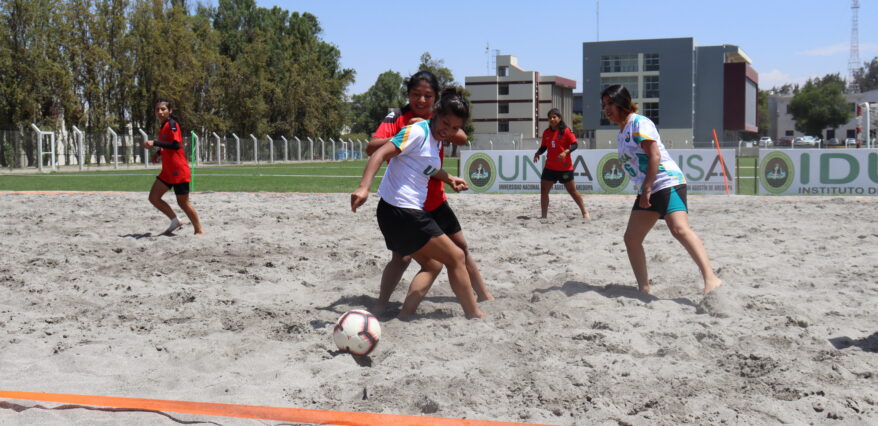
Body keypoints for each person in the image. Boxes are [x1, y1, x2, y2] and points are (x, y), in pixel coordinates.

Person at [352, 87, 485, 319]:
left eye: (454, 128)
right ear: (436, 113)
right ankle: (474, 315)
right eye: (445, 123)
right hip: (403, 211)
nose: (448, 130)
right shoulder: (417, 131)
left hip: (395, 212)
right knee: (456, 257)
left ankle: (403, 314)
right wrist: (364, 187)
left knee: (431, 264)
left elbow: (426, 167)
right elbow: (379, 153)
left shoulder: (435, 139)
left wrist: (449, 178)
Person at [600, 84, 722, 294]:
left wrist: (647, 188)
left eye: (610, 103)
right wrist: (645, 188)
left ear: (622, 102)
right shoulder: (622, 132)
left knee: (679, 229)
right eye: (604, 105)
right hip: (648, 188)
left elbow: (654, 156)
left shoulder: (639, 123)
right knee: (631, 239)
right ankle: (644, 288)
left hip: (666, 181)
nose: (606, 109)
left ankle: (711, 279)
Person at [142, 98, 204, 235]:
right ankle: (175, 221)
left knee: (183, 203)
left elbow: (176, 145)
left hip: (178, 170)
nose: (160, 112)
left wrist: (154, 143)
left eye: (163, 109)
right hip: (167, 171)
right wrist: (158, 153)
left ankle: (199, 230)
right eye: (157, 109)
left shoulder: (172, 124)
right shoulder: (163, 126)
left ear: (169, 111)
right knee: (154, 198)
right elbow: (167, 144)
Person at [533, 108, 590, 219]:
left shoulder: (566, 131)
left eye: (554, 117)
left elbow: (575, 145)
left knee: (572, 191)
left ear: (559, 118)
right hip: (550, 167)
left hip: (565, 168)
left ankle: (585, 212)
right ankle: (543, 216)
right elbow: (544, 147)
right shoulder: (546, 132)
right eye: (550, 117)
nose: (552, 119)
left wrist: (565, 152)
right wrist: (537, 153)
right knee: (544, 191)